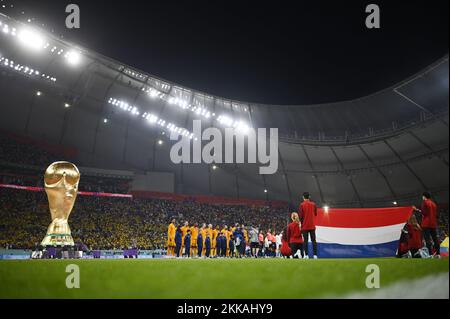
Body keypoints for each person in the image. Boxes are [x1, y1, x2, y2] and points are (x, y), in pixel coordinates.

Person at [413, 192, 440, 258]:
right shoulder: (434, 204)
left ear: (424, 196)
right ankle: (438, 254)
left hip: (426, 223)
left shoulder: (425, 202)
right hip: (433, 223)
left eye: (422, 196)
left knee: (427, 239)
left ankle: (430, 254)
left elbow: (424, 212)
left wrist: (417, 210)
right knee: (435, 239)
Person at [299, 192, 318, 259]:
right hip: (312, 225)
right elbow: (315, 213)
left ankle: (306, 255)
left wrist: (301, 224)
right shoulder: (313, 204)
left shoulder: (302, 205)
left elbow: (301, 216)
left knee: (305, 241)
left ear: (303, 197)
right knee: (314, 241)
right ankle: (315, 255)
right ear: (309, 197)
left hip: (305, 226)